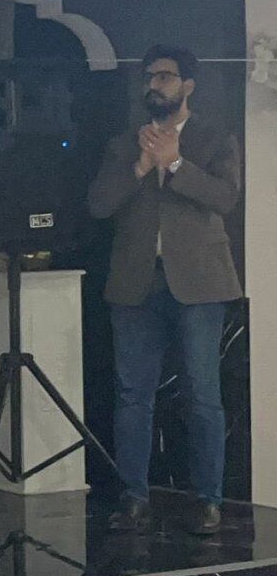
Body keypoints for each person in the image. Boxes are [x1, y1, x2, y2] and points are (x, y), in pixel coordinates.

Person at [88, 44, 240, 537]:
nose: (154, 85)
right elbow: (98, 206)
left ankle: (209, 500)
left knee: (203, 394)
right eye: (149, 77)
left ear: (188, 85)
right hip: (136, 282)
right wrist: (139, 166)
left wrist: (174, 164)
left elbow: (225, 198)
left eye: (165, 77)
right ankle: (134, 497)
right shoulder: (122, 144)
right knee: (133, 395)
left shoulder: (215, 138)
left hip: (199, 283)